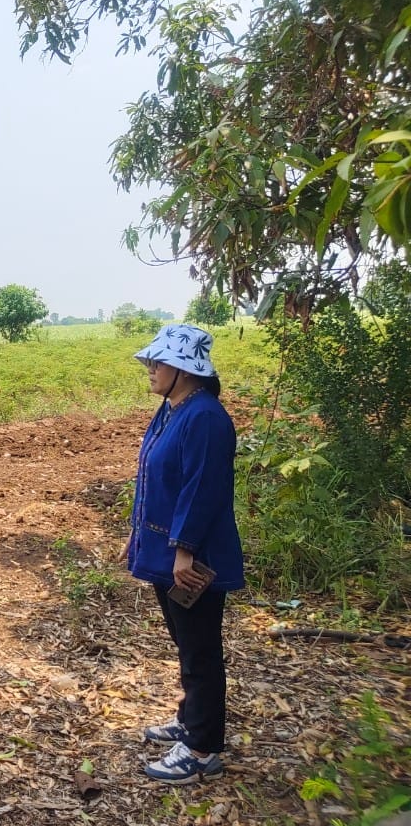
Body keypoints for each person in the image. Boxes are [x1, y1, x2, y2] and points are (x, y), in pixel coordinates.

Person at [124, 324, 245, 784]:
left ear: (184, 370)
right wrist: (136, 534)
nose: (150, 370)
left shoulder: (206, 418)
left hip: (192, 558)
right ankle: (193, 716)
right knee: (185, 641)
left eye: (158, 363)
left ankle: (202, 748)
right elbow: (154, 477)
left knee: (200, 648)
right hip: (166, 550)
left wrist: (184, 550)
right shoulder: (171, 410)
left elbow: (202, 490)